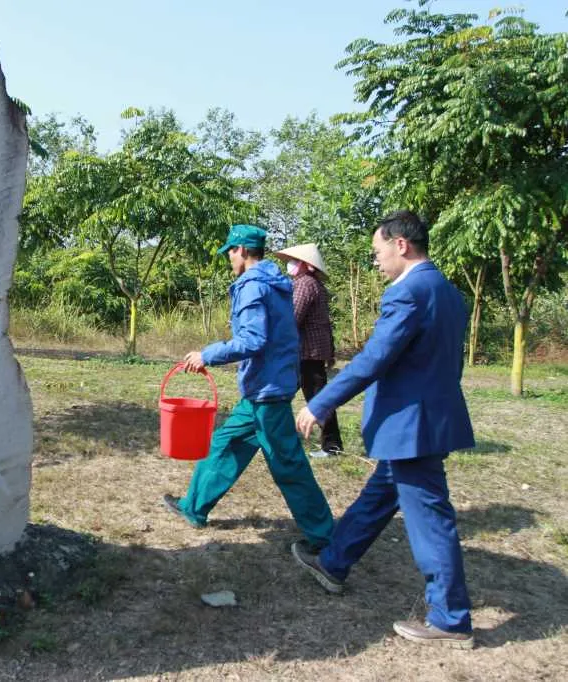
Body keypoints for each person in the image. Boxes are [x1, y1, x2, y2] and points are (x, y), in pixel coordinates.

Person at [292, 210, 475, 649]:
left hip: (413, 425)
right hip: (427, 420)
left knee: (430, 520)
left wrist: (320, 403)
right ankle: (333, 563)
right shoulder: (448, 292)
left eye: (377, 252)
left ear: (401, 245)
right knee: (381, 493)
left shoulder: (409, 293)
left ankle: (451, 619)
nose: (375, 261)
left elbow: (375, 358)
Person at [162, 224, 334, 551]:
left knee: (289, 466)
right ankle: (193, 507)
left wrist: (207, 355)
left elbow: (252, 340)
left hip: (267, 392)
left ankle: (325, 538)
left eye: (230, 250)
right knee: (223, 445)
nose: (229, 256)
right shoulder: (277, 282)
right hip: (263, 388)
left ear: (241, 250)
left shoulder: (253, 285)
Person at [275, 243, 343, 458]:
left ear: (306, 265)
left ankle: (332, 445)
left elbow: (292, 317)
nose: (290, 265)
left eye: (294, 262)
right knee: (284, 393)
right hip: (310, 350)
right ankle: (276, 435)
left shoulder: (304, 284)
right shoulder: (312, 284)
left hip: (308, 352)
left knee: (317, 397)